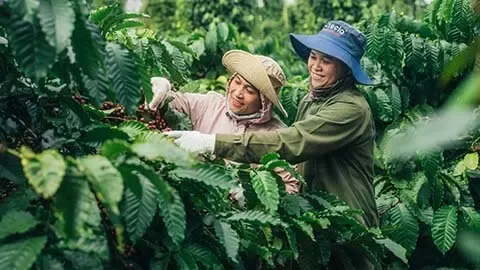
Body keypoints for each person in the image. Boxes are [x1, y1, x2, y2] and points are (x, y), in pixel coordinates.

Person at [166, 20, 379, 229]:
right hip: (316, 219)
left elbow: (293, 142)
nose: (316, 66)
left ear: (347, 69)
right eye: (314, 57)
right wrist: (162, 89)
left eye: (327, 61)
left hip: (349, 223)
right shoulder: (311, 99)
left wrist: (212, 143)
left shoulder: (351, 109)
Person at [149, 49, 299, 194]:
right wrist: (162, 91)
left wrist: (251, 193)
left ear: (264, 101)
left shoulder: (276, 136)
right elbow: (176, 103)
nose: (238, 93)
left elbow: (291, 187)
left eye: (250, 91)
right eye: (237, 82)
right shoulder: (210, 104)